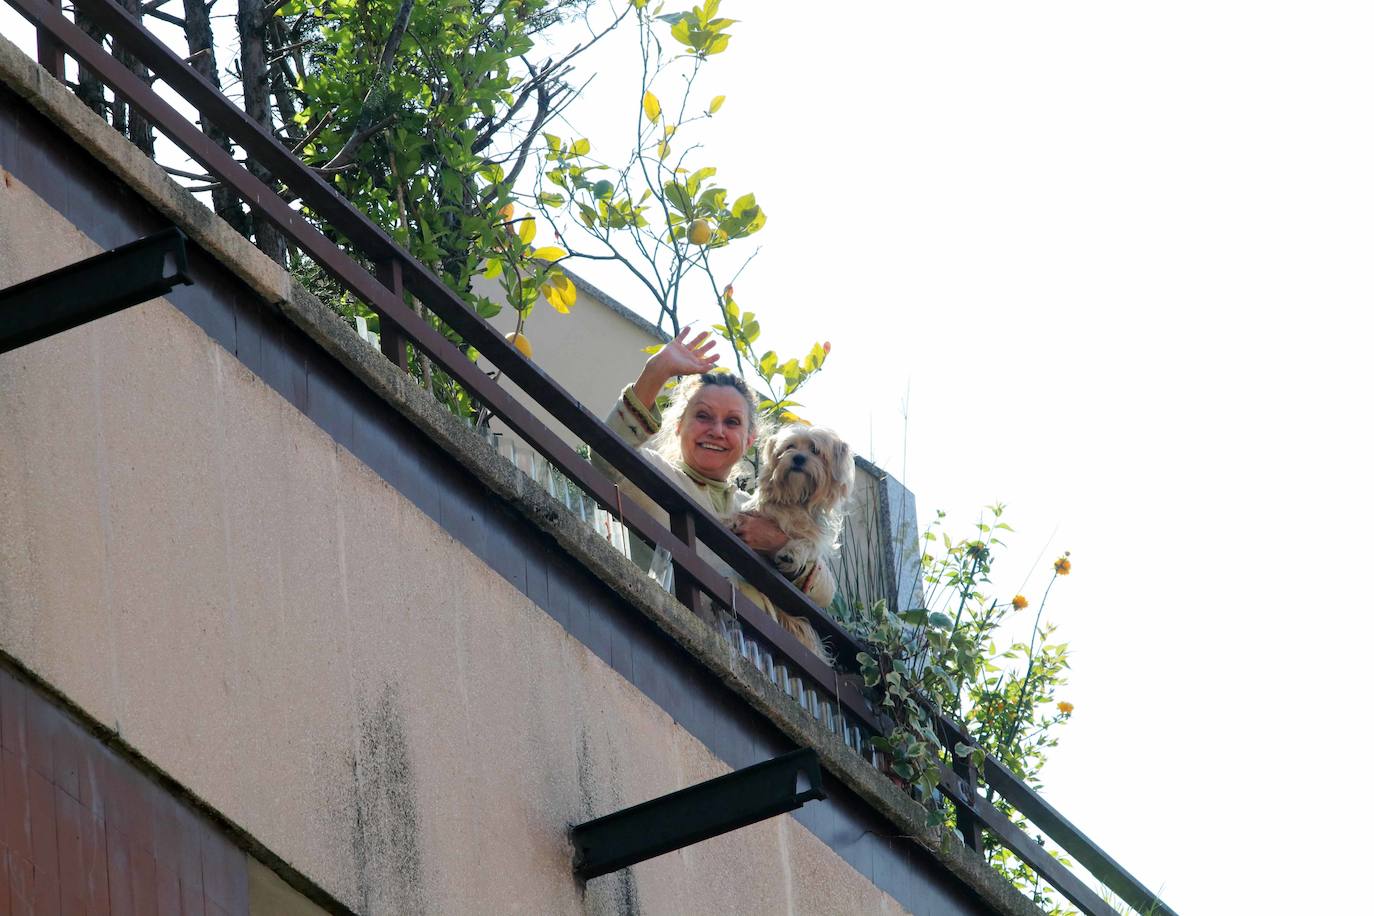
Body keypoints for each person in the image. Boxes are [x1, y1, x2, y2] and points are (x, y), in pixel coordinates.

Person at [594, 328, 834, 660]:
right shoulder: (654, 474)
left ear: (750, 440)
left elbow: (824, 593)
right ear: (679, 425)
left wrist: (778, 543)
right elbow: (607, 451)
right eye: (703, 416)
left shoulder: (755, 509)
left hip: (752, 672)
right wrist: (656, 372)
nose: (716, 431)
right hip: (662, 648)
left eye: (732, 422)